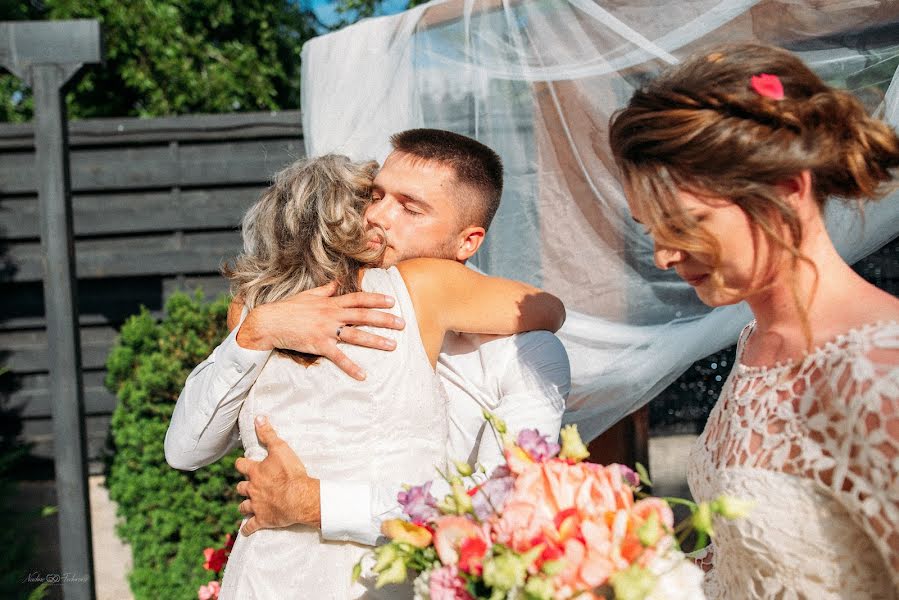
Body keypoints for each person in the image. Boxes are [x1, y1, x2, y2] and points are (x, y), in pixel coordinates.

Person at [166, 152, 565, 598]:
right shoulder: (420, 285)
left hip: (269, 572)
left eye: (408, 208)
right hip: (370, 573)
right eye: (374, 199)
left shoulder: (250, 307)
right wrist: (260, 328)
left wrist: (257, 324)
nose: (381, 216)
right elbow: (547, 308)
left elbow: (185, 452)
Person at [609, 43, 899, 598]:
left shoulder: (878, 369)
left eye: (684, 223)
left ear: (787, 191)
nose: (663, 256)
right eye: (652, 229)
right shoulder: (755, 344)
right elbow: (743, 561)